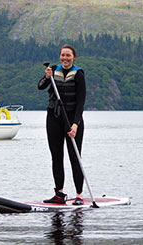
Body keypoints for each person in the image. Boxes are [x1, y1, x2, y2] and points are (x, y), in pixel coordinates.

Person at [37, 44, 86, 205]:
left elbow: (81, 101)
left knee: (75, 157)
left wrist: (75, 124)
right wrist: (47, 76)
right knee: (56, 156)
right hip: (54, 118)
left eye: (68, 56)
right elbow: (41, 86)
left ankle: (79, 195)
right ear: (60, 57)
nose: (65, 58)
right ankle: (59, 194)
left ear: (74, 57)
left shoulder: (78, 74)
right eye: (63, 55)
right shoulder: (52, 70)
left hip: (72, 120)